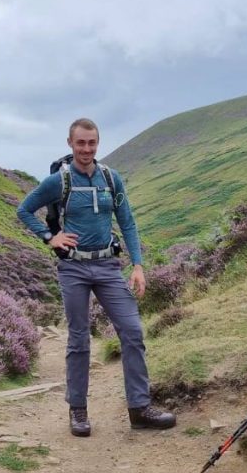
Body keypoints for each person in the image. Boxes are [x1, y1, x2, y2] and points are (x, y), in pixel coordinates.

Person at [16, 118, 175, 437]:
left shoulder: (110, 179)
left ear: (98, 143)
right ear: (70, 144)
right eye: (80, 143)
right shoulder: (58, 181)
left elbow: (128, 223)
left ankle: (140, 408)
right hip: (73, 268)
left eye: (92, 143)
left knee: (132, 331)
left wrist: (138, 265)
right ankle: (78, 410)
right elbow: (24, 210)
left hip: (108, 266)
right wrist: (50, 238)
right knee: (78, 339)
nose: (86, 149)